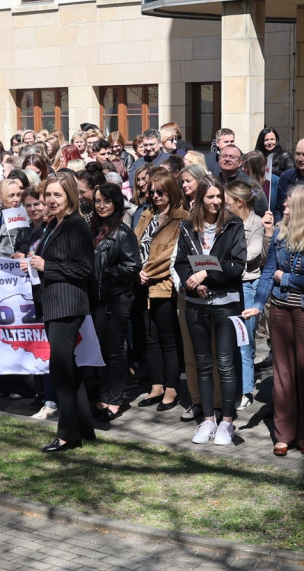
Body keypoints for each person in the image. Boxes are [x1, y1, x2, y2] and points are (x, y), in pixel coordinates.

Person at [245, 185, 304, 457]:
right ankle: (284, 434)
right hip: (281, 312)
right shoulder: (281, 236)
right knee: (283, 375)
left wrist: (285, 279)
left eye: (289, 205)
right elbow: (268, 272)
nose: (283, 208)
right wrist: (257, 305)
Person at [21, 174, 97, 452]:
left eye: (57, 196)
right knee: (68, 369)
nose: (51, 201)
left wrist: (46, 266)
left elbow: (84, 269)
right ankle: (84, 428)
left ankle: (67, 435)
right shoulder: (54, 224)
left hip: (68, 305)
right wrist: (31, 263)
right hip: (54, 304)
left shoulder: (76, 225)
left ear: (70, 198)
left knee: (61, 370)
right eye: (48, 195)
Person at [174, 178, 247, 446]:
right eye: (210, 197)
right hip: (197, 305)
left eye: (219, 197)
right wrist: (192, 284)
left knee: (225, 364)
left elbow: (236, 265)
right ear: (200, 199)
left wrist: (207, 273)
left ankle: (227, 421)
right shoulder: (186, 227)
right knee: (203, 364)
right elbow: (182, 263)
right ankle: (207, 419)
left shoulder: (232, 225)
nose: (216, 202)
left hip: (226, 304)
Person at [133, 168, 188, 410]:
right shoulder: (147, 215)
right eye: (152, 192)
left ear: (172, 192)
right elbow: (134, 244)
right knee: (150, 338)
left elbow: (172, 255)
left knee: (168, 339)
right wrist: (136, 271)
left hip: (165, 287)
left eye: (161, 192)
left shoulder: (182, 218)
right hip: (143, 286)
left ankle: (172, 387)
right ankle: (156, 385)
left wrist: (148, 273)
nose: (156, 196)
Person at [90, 183, 140, 424]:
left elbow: (132, 266)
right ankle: (103, 396)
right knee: (99, 350)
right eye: (98, 201)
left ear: (117, 204)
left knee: (115, 350)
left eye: (107, 201)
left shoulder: (123, 232)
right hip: (97, 298)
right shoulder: (93, 228)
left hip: (116, 298)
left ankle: (115, 400)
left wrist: (105, 274)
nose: (101, 206)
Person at [224, 180, 265, 409]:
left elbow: (253, 253)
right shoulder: (227, 222)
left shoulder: (256, 223)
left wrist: (226, 258)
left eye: (228, 202)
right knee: (228, 341)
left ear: (239, 202)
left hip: (247, 286)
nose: (224, 206)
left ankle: (245, 390)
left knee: (244, 341)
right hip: (229, 285)